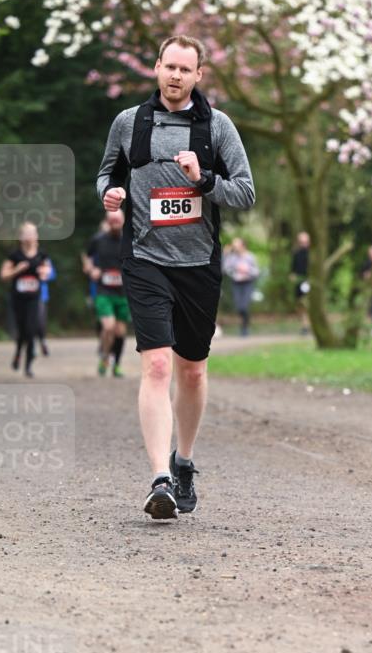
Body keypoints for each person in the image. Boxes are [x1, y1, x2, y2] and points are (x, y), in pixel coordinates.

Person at [97, 34, 255, 519]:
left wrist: (203, 180)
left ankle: (182, 460)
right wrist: (111, 195)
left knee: (192, 370)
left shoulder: (217, 128)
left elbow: (245, 193)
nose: (175, 76)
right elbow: (107, 174)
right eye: (169, 66)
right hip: (145, 259)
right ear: (157, 67)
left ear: (198, 75)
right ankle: (159, 480)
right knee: (157, 366)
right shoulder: (130, 122)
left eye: (186, 70)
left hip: (198, 265)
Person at [0, 222, 51, 378]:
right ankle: (17, 353)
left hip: (34, 299)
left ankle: (28, 366)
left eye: (32, 233)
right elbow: (3, 275)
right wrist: (17, 270)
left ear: (36, 237)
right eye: (26, 234)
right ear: (21, 237)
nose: (30, 237)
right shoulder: (14, 256)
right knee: (21, 331)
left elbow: (47, 270)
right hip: (18, 299)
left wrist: (44, 272)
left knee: (31, 330)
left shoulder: (42, 255)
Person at [84, 209, 129, 377]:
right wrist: (91, 270)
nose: (115, 222)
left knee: (120, 331)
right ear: (108, 221)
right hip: (104, 291)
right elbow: (87, 258)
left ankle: (116, 364)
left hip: (123, 292)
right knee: (108, 327)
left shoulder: (130, 239)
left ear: (124, 221)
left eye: (118, 219)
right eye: (112, 219)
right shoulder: (98, 240)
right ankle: (104, 356)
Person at [222, 237, 260, 336]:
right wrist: (225, 255)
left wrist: (247, 270)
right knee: (239, 306)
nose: (234, 247)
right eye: (234, 245)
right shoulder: (232, 257)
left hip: (248, 283)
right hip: (236, 283)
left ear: (243, 246)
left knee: (244, 306)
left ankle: (244, 327)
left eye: (236, 245)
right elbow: (225, 269)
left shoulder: (250, 257)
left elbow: (256, 272)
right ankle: (245, 324)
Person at [290, 231, 311, 334]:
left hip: (309, 282)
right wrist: (293, 276)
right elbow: (293, 269)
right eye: (301, 242)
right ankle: (304, 325)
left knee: (307, 304)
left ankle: (307, 325)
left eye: (305, 242)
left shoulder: (312, 254)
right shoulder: (296, 254)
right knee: (300, 304)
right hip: (300, 282)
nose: (303, 244)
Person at [37, 258, 56, 356]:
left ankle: (42, 341)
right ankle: (31, 344)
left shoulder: (45, 259)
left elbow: (52, 275)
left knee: (41, 321)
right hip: (25, 295)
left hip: (41, 296)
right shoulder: (21, 256)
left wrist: (45, 275)